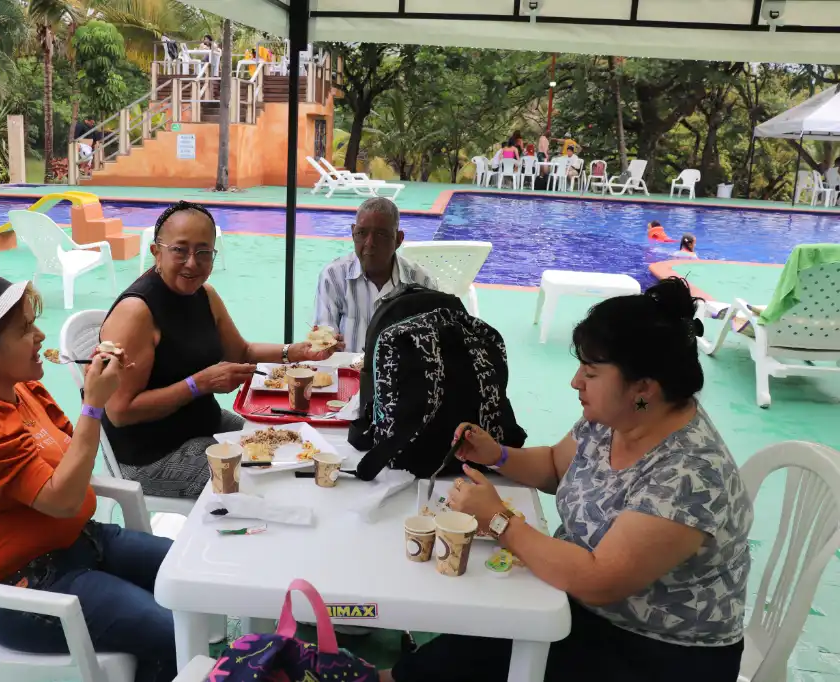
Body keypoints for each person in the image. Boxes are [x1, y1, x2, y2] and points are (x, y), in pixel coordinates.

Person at [381, 277, 752, 682]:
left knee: (487, 641)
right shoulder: (617, 419)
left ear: (643, 388)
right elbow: (557, 467)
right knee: (477, 637)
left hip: (654, 653)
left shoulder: (689, 474)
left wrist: (500, 521)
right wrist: (497, 454)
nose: (576, 381)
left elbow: (598, 581)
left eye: (590, 372)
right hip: (581, 606)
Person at [0, 262, 177, 682]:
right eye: (24, 329)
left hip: (80, 543)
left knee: (192, 576)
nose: (39, 336)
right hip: (21, 590)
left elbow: (72, 456)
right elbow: (62, 498)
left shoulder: (19, 387)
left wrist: (97, 391)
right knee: (170, 632)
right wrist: (94, 404)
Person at [100, 201, 341, 498]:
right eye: (180, 250)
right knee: (272, 484)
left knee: (298, 446)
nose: (192, 263)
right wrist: (198, 385)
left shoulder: (204, 295)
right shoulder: (136, 312)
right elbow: (119, 412)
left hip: (203, 425)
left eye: (203, 252)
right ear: (156, 252)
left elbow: (241, 353)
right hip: (152, 456)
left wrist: (296, 352)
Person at [313, 197, 438, 354]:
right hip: (345, 368)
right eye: (361, 233)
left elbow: (431, 347)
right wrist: (327, 344)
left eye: (381, 234)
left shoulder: (422, 282)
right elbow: (323, 339)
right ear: (353, 233)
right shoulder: (333, 277)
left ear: (399, 239)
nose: (369, 243)